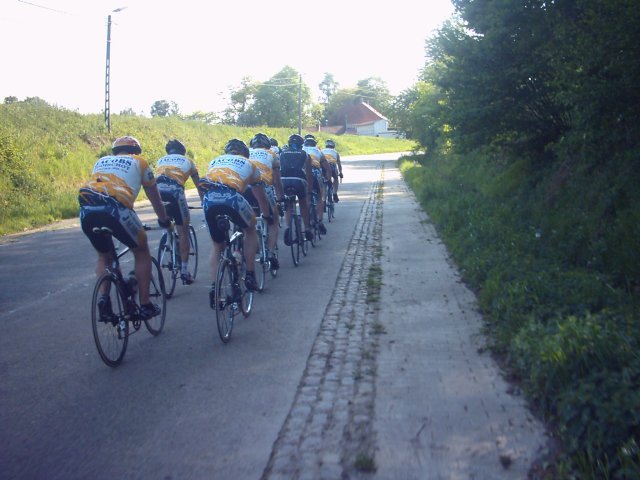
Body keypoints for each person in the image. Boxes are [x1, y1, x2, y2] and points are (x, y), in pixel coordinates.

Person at [79, 135, 170, 320]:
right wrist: (164, 219)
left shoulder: (101, 161)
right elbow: (155, 199)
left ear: (115, 151)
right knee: (141, 251)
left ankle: (104, 300)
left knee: (104, 256)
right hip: (116, 209)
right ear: (136, 151)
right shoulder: (140, 162)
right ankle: (145, 304)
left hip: (87, 209)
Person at [200, 138, 266, 307]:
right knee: (250, 229)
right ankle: (250, 273)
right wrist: (267, 214)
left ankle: (215, 289)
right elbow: (260, 196)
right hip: (232, 198)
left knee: (217, 245)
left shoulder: (215, 161)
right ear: (245, 154)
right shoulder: (250, 164)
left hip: (210, 199)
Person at [155, 139, 204, 285]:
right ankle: (183, 270)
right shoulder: (188, 161)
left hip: (157, 193)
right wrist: (203, 201)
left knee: (166, 220)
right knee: (183, 230)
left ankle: (167, 237)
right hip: (175, 192)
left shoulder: (160, 160)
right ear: (182, 151)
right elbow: (198, 185)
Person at [248, 132, 285, 270]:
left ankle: (239, 249)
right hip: (264, 188)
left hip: (246, 188)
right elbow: (276, 180)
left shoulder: (247, 153)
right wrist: (281, 197)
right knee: (273, 221)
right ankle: (269, 253)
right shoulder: (272, 154)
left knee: (246, 221)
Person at [279, 133, 314, 245]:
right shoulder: (305, 154)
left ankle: (288, 227)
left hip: (283, 180)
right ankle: (307, 228)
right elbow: (309, 174)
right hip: (299, 180)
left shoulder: (282, 153)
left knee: (289, 205)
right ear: (301, 144)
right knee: (303, 203)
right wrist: (309, 190)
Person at [302, 134, 332, 234]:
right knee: (320, 197)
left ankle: (308, 216)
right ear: (314, 144)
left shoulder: (301, 150)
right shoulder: (318, 151)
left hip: (304, 174)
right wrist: (328, 179)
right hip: (315, 173)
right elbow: (327, 168)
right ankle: (319, 220)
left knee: (307, 197)